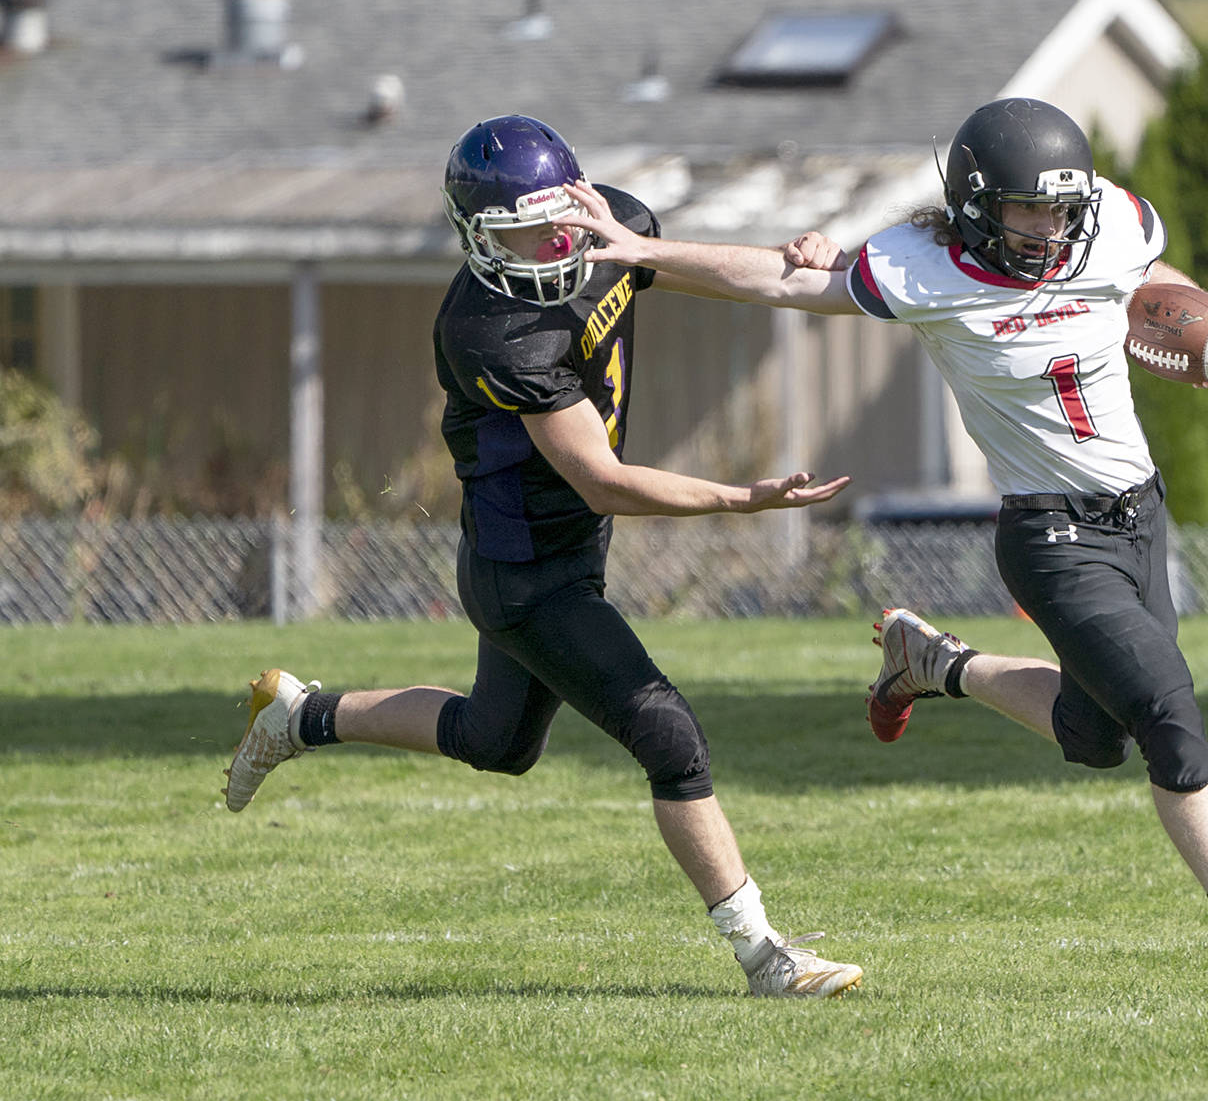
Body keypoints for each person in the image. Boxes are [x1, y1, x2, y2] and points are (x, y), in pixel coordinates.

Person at [549, 96, 1208, 1006]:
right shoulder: (922, 267)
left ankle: (934, 663)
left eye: (1062, 210)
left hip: (1142, 516)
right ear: (976, 204)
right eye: (1028, 211)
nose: (1050, 230)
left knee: (1097, 735)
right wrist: (644, 252)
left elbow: (1140, 268)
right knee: (1167, 711)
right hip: (1052, 537)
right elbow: (780, 283)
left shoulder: (1112, 221)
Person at [223, 114, 862, 1000]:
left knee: (497, 742)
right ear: (479, 238)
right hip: (523, 574)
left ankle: (301, 717)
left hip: (562, 549)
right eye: (525, 231)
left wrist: (803, 260)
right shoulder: (489, 330)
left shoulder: (613, 221)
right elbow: (601, 480)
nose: (555, 243)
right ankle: (766, 958)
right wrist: (742, 500)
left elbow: (698, 268)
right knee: (670, 739)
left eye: (562, 219)